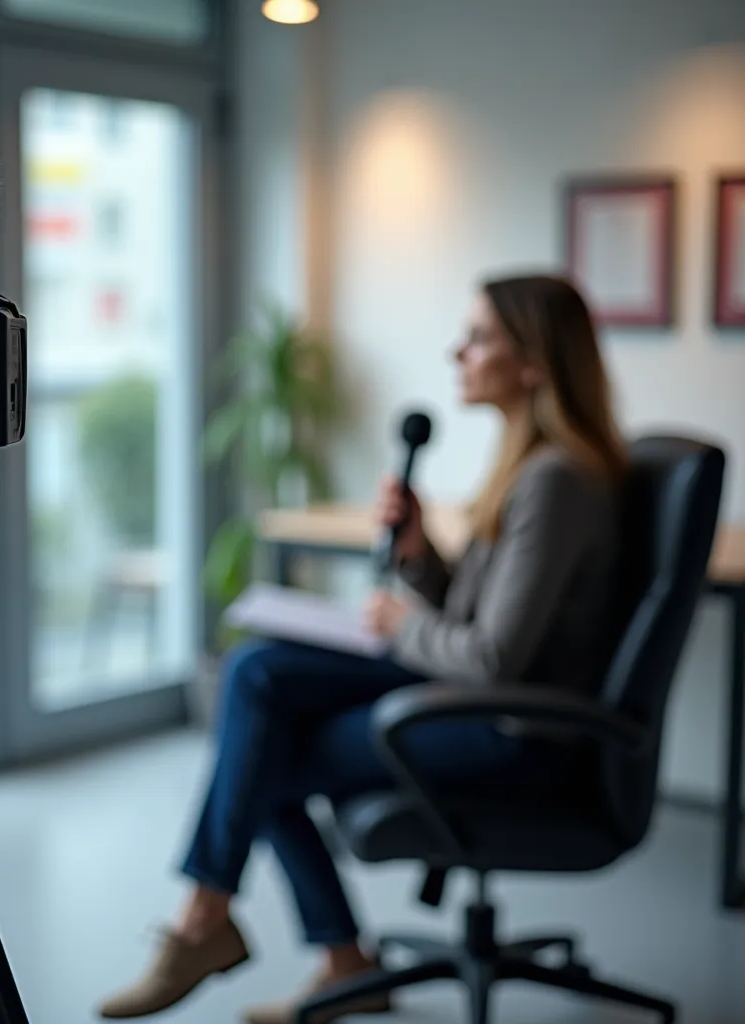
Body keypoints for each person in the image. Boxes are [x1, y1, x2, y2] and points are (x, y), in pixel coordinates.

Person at [96, 274, 627, 1023]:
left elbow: (494, 659)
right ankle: (291, 946)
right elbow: (482, 618)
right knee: (255, 674)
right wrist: (419, 555)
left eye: (478, 338)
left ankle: (215, 929)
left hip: (513, 732)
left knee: (259, 750)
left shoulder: (555, 481)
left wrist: (396, 623)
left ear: (534, 363)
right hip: (476, 701)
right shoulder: (529, 466)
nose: (457, 351)